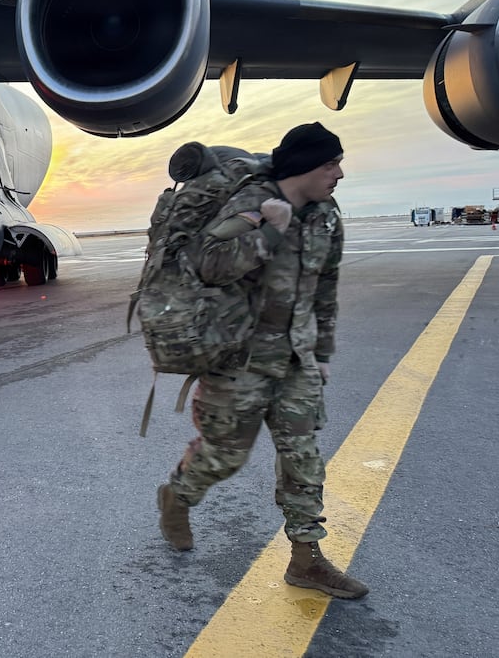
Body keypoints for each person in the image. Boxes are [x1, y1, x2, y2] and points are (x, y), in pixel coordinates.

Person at [156, 122, 368, 600]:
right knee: (224, 456)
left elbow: (326, 287)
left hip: (296, 358)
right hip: (239, 358)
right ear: (305, 167)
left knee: (303, 456)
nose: (339, 174)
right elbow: (208, 265)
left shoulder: (326, 216)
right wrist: (270, 232)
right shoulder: (251, 203)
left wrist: (324, 351)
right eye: (331, 164)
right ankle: (178, 495)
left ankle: (306, 559)